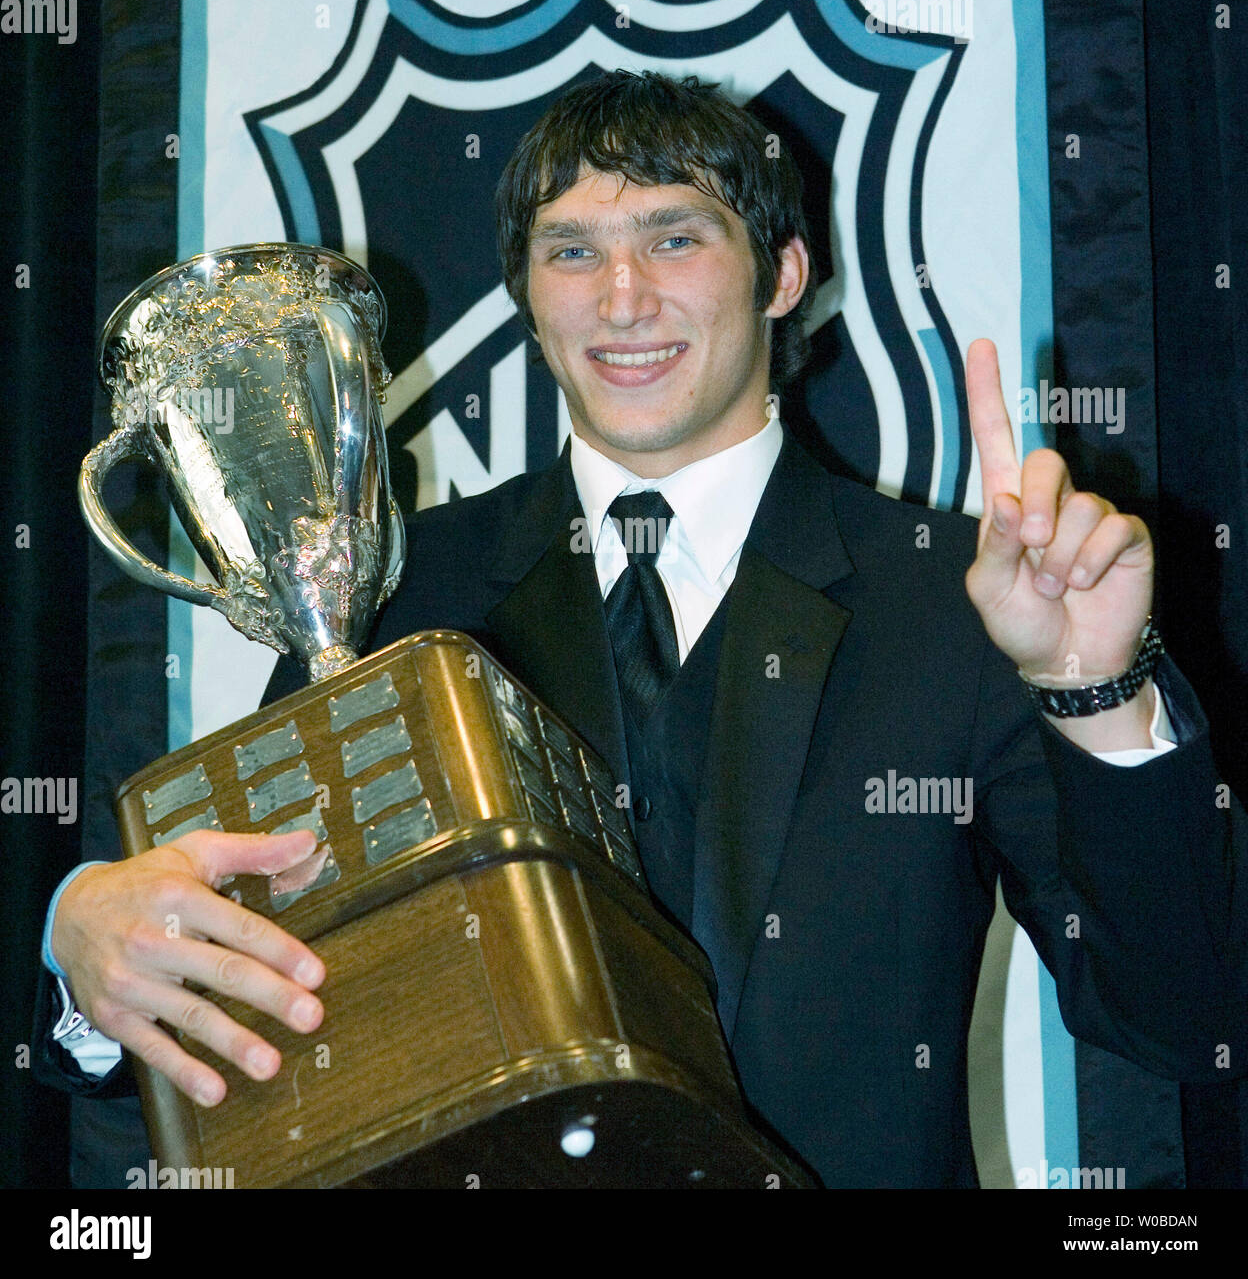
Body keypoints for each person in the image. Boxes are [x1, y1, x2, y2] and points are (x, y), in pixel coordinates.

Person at [36, 71, 1247, 1187]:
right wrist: (91, 950)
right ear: (527, 294)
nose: (623, 296)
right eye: (573, 250)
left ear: (782, 273)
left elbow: (1185, 1014)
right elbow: (242, 983)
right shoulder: (388, 590)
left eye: (675, 236)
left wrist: (1097, 688)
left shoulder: (957, 600)